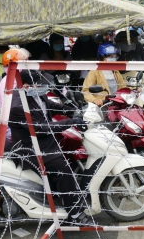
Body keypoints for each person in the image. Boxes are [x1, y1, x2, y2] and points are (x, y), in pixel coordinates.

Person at [8, 70, 89, 225]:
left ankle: (61, 194)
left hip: (45, 141)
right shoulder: (18, 106)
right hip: (30, 147)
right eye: (40, 85)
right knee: (62, 168)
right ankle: (74, 213)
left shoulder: (37, 93)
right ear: (26, 86)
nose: (44, 88)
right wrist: (70, 122)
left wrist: (72, 110)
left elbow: (50, 105)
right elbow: (40, 128)